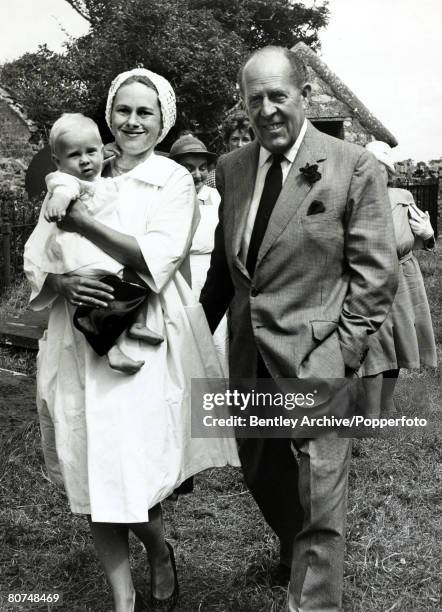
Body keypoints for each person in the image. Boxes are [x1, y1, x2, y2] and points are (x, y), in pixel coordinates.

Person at [24, 67, 239, 612]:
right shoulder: (80, 168)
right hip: (76, 339)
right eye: (123, 110)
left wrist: (79, 222)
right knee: (93, 470)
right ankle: (123, 600)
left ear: (162, 119)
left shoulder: (172, 180)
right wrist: (59, 280)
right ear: (108, 115)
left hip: (139, 342)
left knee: (132, 470)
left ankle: (159, 551)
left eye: (145, 111)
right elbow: (39, 248)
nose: (132, 121)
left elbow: (155, 260)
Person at [200, 46, 398, 611]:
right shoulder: (232, 168)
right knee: (262, 470)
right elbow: (225, 267)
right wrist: (189, 335)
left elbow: (375, 273)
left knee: (320, 488)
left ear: (304, 96)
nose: (265, 110)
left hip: (319, 355)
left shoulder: (352, 164)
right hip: (249, 356)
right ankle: (297, 546)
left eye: (277, 96)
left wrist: (344, 352)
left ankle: (311, 600)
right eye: (253, 98)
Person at [25, 113, 163, 375]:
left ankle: (135, 322)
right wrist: (59, 203)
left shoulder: (103, 180)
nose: (85, 160)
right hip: (83, 256)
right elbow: (64, 190)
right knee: (98, 301)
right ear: (58, 162)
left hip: (103, 253)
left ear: (102, 150)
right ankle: (112, 351)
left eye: (91, 152)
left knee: (133, 282)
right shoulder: (65, 180)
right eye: (75, 155)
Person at [360, 141, 437, 413]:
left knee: (397, 341)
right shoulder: (352, 198)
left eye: (380, 168)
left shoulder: (404, 197)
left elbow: (421, 239)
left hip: (404, 277)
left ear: (389, 173)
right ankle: (370, 410)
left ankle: (386, 401)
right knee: (371, 343)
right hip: (368, 278)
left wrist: (428, 235)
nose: (374, 173)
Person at [169, 134, 228, 373]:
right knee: (183, 340)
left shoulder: (216, 198)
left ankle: (218, 403)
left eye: (202, 168)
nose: (197, 175)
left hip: (213, 277)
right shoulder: (168, 199)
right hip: (179, 277)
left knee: (216, 343)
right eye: (189, 168)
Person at [205, 110, 254, 188]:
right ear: (227, 142)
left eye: (245, 139)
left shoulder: (260, 173)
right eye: (235, 139)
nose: (240, 145)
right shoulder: (214, 178)